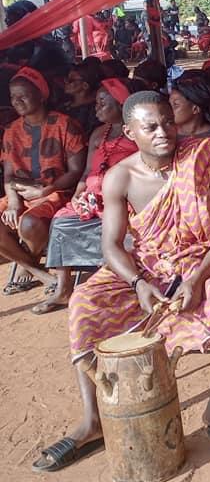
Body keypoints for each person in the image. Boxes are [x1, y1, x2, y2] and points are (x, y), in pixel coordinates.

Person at [32, 92, 210, 472]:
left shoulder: (205, 159)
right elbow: (111, 247)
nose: (163, 133)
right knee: (84, 302)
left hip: (203, 260)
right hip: (147, 268)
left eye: (168, 122)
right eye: (150, 127)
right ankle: (93, 422)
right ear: (129, 131)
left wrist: (199, 277)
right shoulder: (120, 177)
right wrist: (137, 283)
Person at [37, 79, 137, 315]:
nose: (96, 107)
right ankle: (63, 289)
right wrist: (78, 195)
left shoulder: (136, 133)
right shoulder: (98, 134)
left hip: (125, 199)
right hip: (93, 198)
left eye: (103, 102)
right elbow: (86, 172)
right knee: (62, 220)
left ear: (121, 105)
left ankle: (121, 285)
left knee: (125, 228)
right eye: (97, 102)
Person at [0, 68, 86, 293]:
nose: (17, 101)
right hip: (21, 193)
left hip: (57, 192)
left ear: (41, 95)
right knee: (16, 217)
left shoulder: (65, 124)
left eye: (23, 95)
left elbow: (76, 171)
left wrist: (45, 191)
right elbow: (8, 175)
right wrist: (14, 201)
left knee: (30, 223)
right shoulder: (11, 131)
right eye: (13, 96)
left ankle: (26, 269)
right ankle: (38, 272)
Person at [61, 62, 103, 135]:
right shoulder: (64, 105)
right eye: (66, 78)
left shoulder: (95, 110)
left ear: (85, 85)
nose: (66, 82)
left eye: (71, 80)